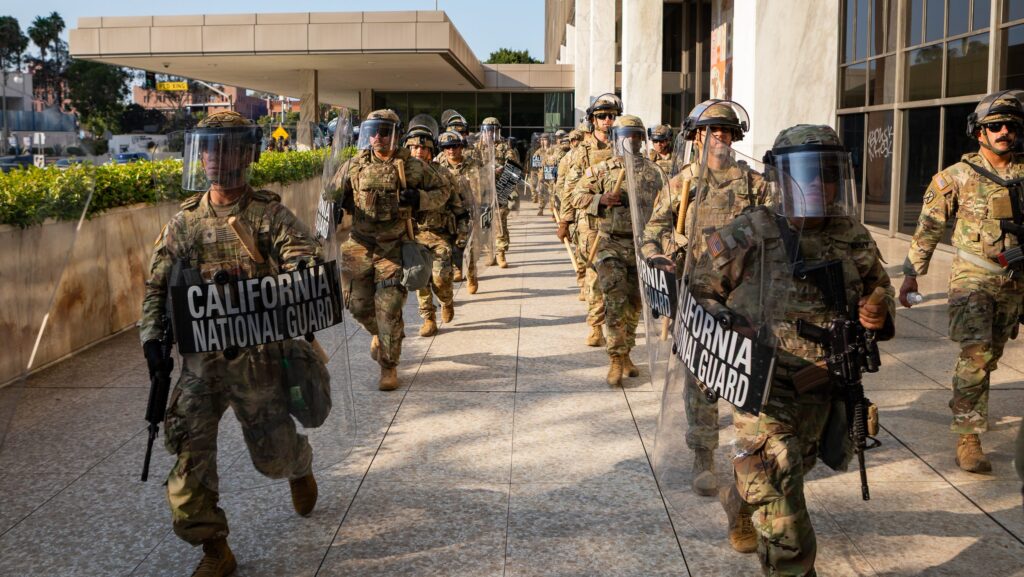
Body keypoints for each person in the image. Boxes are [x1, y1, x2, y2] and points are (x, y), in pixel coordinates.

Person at [692, 124, 894, 575]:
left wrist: (878, 309)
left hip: (825, 383)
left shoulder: (852, 234)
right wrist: (730, 325)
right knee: (779, 474)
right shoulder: (750, 232)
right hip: (763, 387)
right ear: (782, 179)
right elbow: (701, 291)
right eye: (806, 173)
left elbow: (878, 288)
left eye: (828, 173)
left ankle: (741, 499)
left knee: (794, 465)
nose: (818, 183)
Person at [140, 111, 321, 577]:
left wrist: (293, 277)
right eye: (208, 148)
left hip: (256, 358)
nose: (215, 158)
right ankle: (214, 548)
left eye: (226, 147)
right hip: (202, 362)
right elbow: (157, 286)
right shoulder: (185, 222)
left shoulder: (268, 214)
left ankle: (298, 464)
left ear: (246, 153)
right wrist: (152, 338)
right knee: (187, 453)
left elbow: (305, 258)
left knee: (273, 455)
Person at [640, 100, 765, 504]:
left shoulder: (755, 184)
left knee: (747, 377)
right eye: (710, 132)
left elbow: (780, 231)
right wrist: (659, 256)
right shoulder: (683, 183)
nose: (718, 138)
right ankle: (704, 457)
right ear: (696, 138)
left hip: (746, 295)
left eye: (726, 131)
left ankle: (750, 458)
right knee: (701, 379)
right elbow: (652, 231)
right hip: (698, 296)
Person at [900, 90, 1024, 474]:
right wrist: (910, 275)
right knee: (976, 355)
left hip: (1015, 281)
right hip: (973, 278)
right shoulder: (955, 177)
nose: (1004, 132)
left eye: (1010, 126)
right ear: (978, 132)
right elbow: (928, 227)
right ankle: (968, 436)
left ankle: (963, 401)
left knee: (991, 356)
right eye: (995, 126)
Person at [334, 109, 448, 390]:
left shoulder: (412, 166)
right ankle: (382, 333)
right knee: (357, 305)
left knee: (388, 307)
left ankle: (389, 366)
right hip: (359, 244)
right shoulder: (354, 165)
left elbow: (443, 191)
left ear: (395, 134)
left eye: (384, 131)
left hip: (394, 246)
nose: (377, 137)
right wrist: (334, 205)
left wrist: (419, 198)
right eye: (373, 131)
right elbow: (331, 192)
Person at [570, 115, 648, 385]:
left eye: (636, 136)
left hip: (641, 245)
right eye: (626, 136)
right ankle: (615, 358)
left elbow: (666, 206)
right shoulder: (602, 170)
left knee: (635, 304)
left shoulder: (652, 173)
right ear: (617, 139)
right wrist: (600, 199)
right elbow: (576, 196)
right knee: (615, 299)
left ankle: (627, 353)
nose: (631, 141)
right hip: (610, 243)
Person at [558, 94, 622, 346]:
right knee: (595, 272)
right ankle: (596, 326)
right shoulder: (581, 152)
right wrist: (565, 221)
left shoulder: (624, 146)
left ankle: (618, 326)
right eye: (601, 116)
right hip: (591, 220)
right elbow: (570, 190)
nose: (607, 120)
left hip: (622, 221)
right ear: (593, 120)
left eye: (611, 116)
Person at [404, 119, 468, 336]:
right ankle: (428, 318)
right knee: (420, 278)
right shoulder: (401, 175)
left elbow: (458, 207)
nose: (418, 151)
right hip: (414, 236)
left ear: (431, 150)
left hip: (440, 235)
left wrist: (462, 234)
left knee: (440, 278)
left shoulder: (443, 174)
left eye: (423, 147)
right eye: (414, 147)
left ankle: (446, 301)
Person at [437, 130, 485, 294]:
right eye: (447, 147)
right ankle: (456, 270)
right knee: (447, 247)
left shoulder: (474, 164)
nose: (451, 150)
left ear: (461, 147)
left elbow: (484, 186)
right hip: (445, 213)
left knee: (466, 245)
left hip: (466, 213)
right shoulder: (437, 165)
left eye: (455, 146)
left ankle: (471, 274)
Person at [475, 116, 521, 268]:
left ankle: (501, 252)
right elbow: (471, 166)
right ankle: (490, 253)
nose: (489, 133)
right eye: (487, 130)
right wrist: (485, 170)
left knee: (500, 221)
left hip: (501, 189)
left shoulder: (504, 147)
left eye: (492, 130)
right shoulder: (477, 148)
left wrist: (501, 169)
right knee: (485, 223)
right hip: (483, 191)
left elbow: (513, 166)